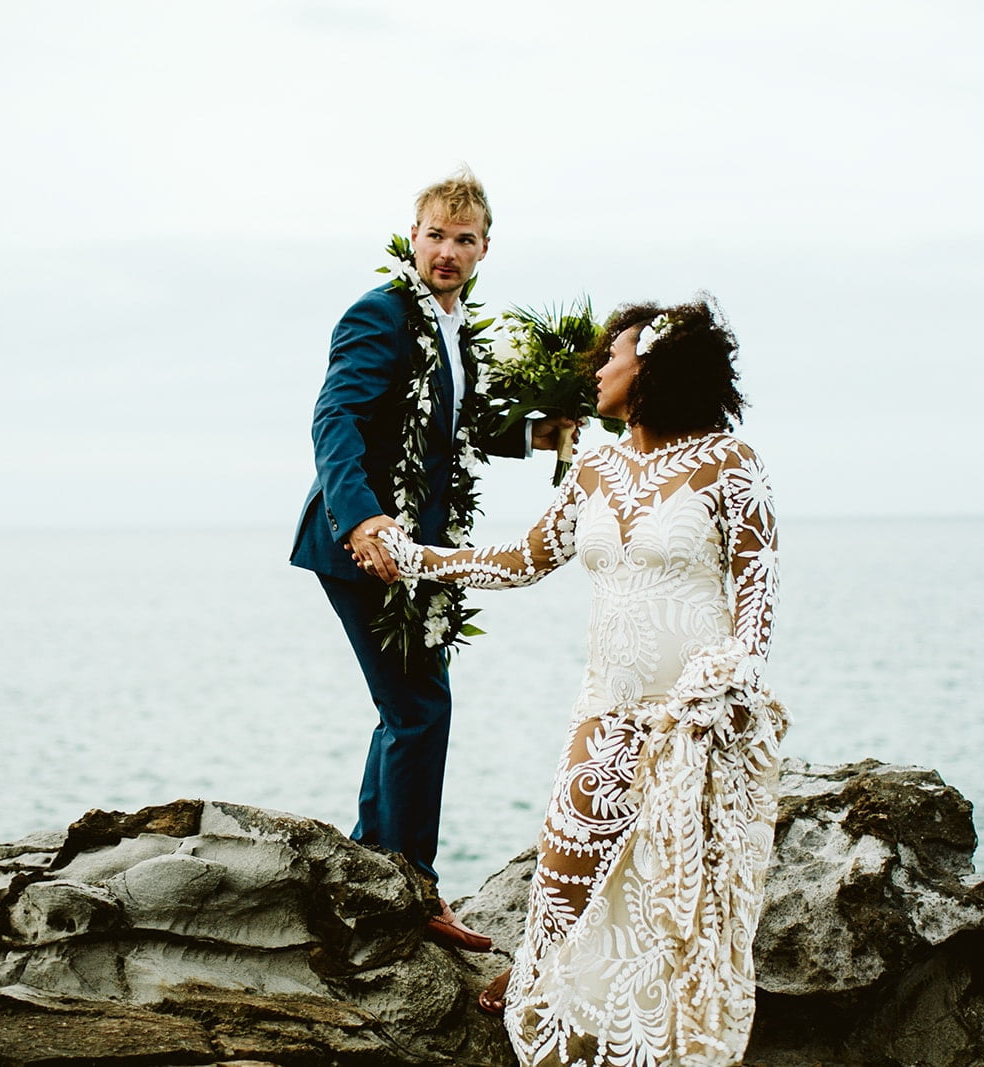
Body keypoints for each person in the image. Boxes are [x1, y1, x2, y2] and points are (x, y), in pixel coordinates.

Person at [377, 296, 787, 1067]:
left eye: (612, 354)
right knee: (561, 888)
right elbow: (522, 559)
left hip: (694, 727)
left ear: (654, 365)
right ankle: (547, 991)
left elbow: (756, 614)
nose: (598, 368)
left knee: (682, 918)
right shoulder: (597, 466)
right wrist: (416, 559)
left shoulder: (734, 464)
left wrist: (718, 690)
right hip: (607, 711)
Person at [290, 167, 571, 953]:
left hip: (418, 549)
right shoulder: (380, 314)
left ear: (486, 248)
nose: (448, 251)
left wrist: (533, 435)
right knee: (419, 710)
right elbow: (335, 417)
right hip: (364, 546)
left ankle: (373, 870)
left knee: (407, 709)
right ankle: (407, 888)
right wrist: (365, 520)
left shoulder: (452, 326)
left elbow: (454, 425)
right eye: (436, 235)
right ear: (411, 237)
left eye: (465, 238)